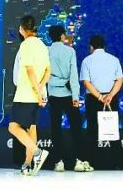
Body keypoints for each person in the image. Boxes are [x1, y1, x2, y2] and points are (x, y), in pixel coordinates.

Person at [9, 15, 51, 176]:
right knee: (31, 128)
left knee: (13, 127)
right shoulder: (42, 45)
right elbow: (48, 71)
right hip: (36, 94)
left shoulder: (26, 45)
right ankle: (27, 165)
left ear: (22, 29)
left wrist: (36, 90)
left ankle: (37, 152)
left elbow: (29, 69)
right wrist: (40, 89)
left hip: (25, 94)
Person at [46, 25, 90, 172]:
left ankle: (59, 162)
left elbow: (45, 75)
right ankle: (79, 161)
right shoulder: (70, 51)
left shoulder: (47, 51)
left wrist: (55, 83)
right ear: (62, 36)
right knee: (76, 128)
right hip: (69, 95)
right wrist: (76, 96)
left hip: (53, 94)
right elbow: (73, 75)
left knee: (56, 129)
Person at [80, 34, 123, 170]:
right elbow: (120, 79)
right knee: (112, 130)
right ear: (104, 46)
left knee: (92, 130)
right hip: (111, 99)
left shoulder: (87, 60)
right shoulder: (114, 59)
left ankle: (92, 162)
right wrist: (110, 95)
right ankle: (117, 163)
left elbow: (86, 82)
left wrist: (99, 96)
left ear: (91, 47)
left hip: (94, 98)